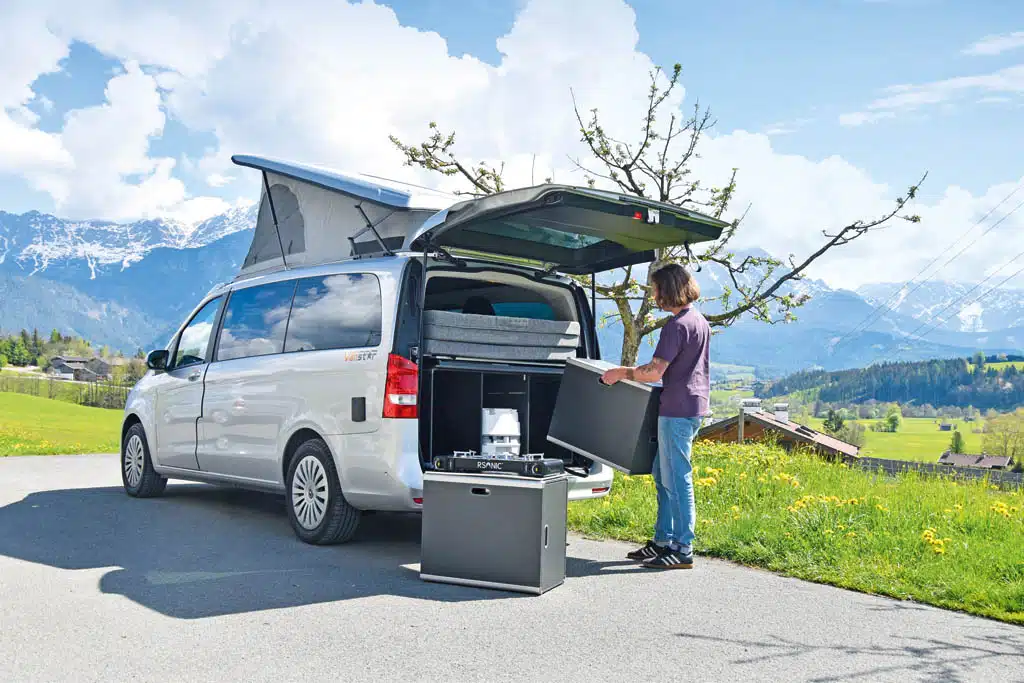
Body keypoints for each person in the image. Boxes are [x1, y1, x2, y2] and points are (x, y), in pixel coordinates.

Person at [600, 263, 710, 570]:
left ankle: (683, 548)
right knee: (663, 476)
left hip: (677, 411)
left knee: (676, 478)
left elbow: (654, 372)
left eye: (657, 288)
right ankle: (663, 541)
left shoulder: (675, 327)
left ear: (668, 290)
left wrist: (621, 373)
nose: (655, 294)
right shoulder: (699, 321)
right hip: (691, 406)